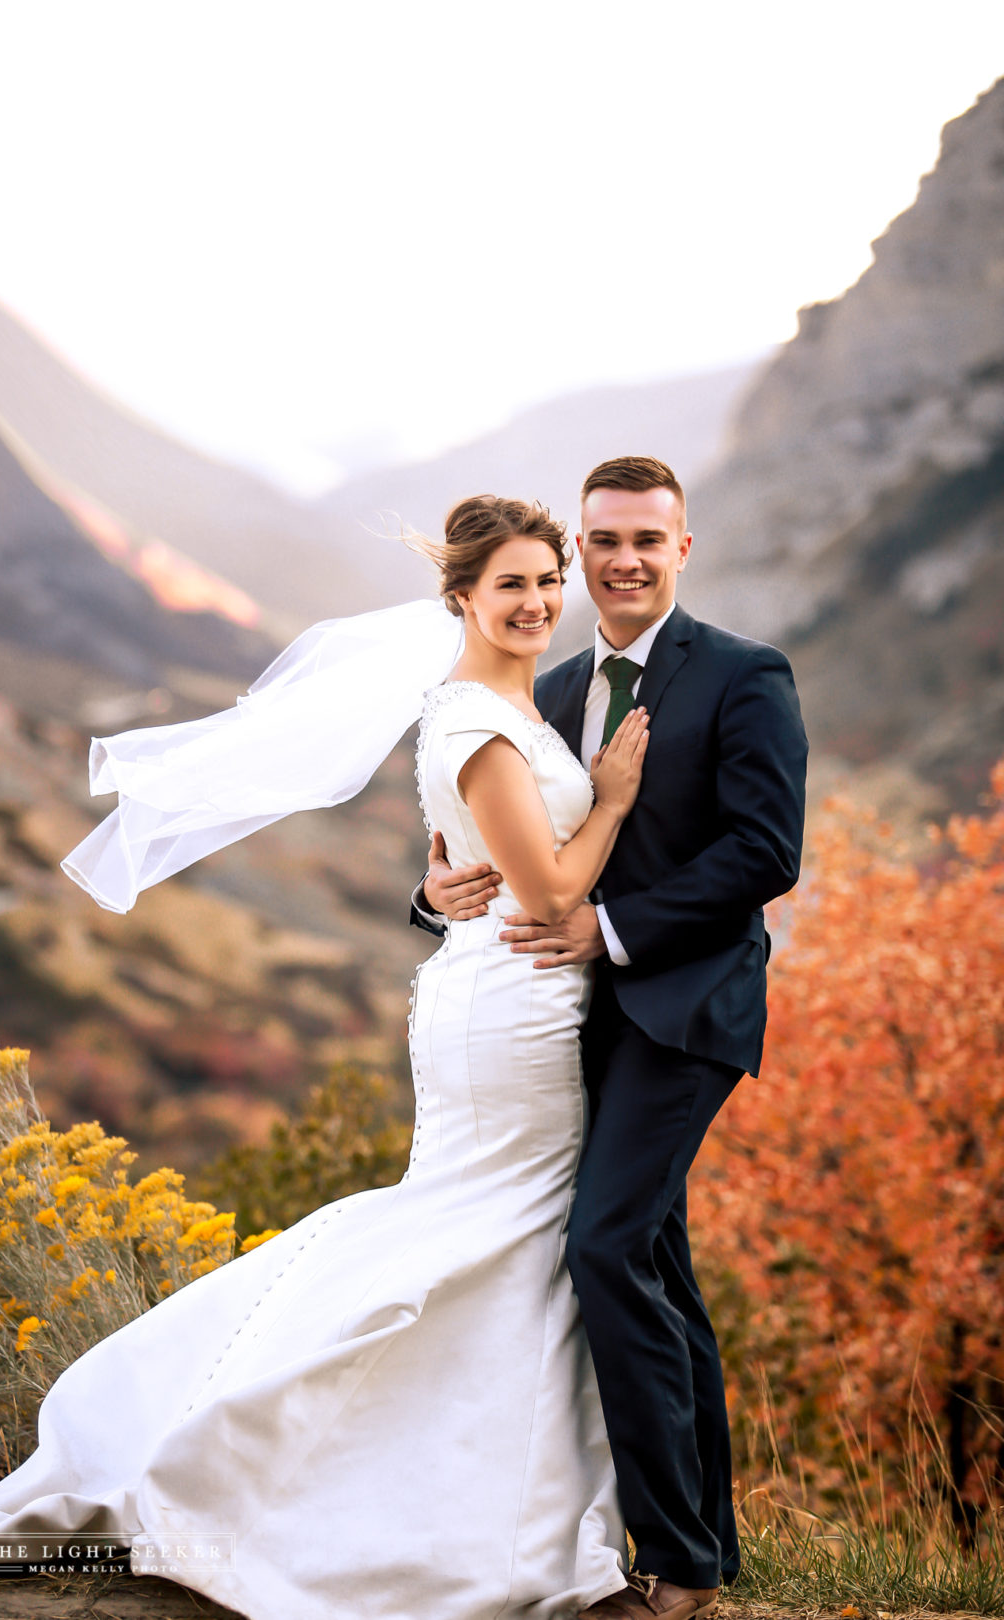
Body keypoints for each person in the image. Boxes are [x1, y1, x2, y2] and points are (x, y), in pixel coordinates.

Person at [0, 496, 658, 1620]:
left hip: (502, 988)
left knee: (491, 1233)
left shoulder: (505, 708)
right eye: (512, 584)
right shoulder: (475, 723)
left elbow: (492, 866)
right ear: (461, 597)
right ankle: (330, 1481)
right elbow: (555, 890)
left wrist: (438, 887)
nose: (540, 601)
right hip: (513, 1006)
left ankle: (459, 1491)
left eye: (548, 581)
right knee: (493, 1230)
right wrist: (608, 800)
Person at [414, 457, 809, 1620]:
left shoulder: (744, 673)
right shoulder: (559, 679)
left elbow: (763, 850)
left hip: (682, 1009)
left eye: (648, 539)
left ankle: (677, 1567)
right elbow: (496, 822)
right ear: (581, 552)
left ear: (684, 548)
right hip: (565, 1023)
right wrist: (435, 896)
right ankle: (706, 1547)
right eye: (604, 542)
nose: (623, 560)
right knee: (653, 1266)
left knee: (603, 1247)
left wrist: (611, 929)